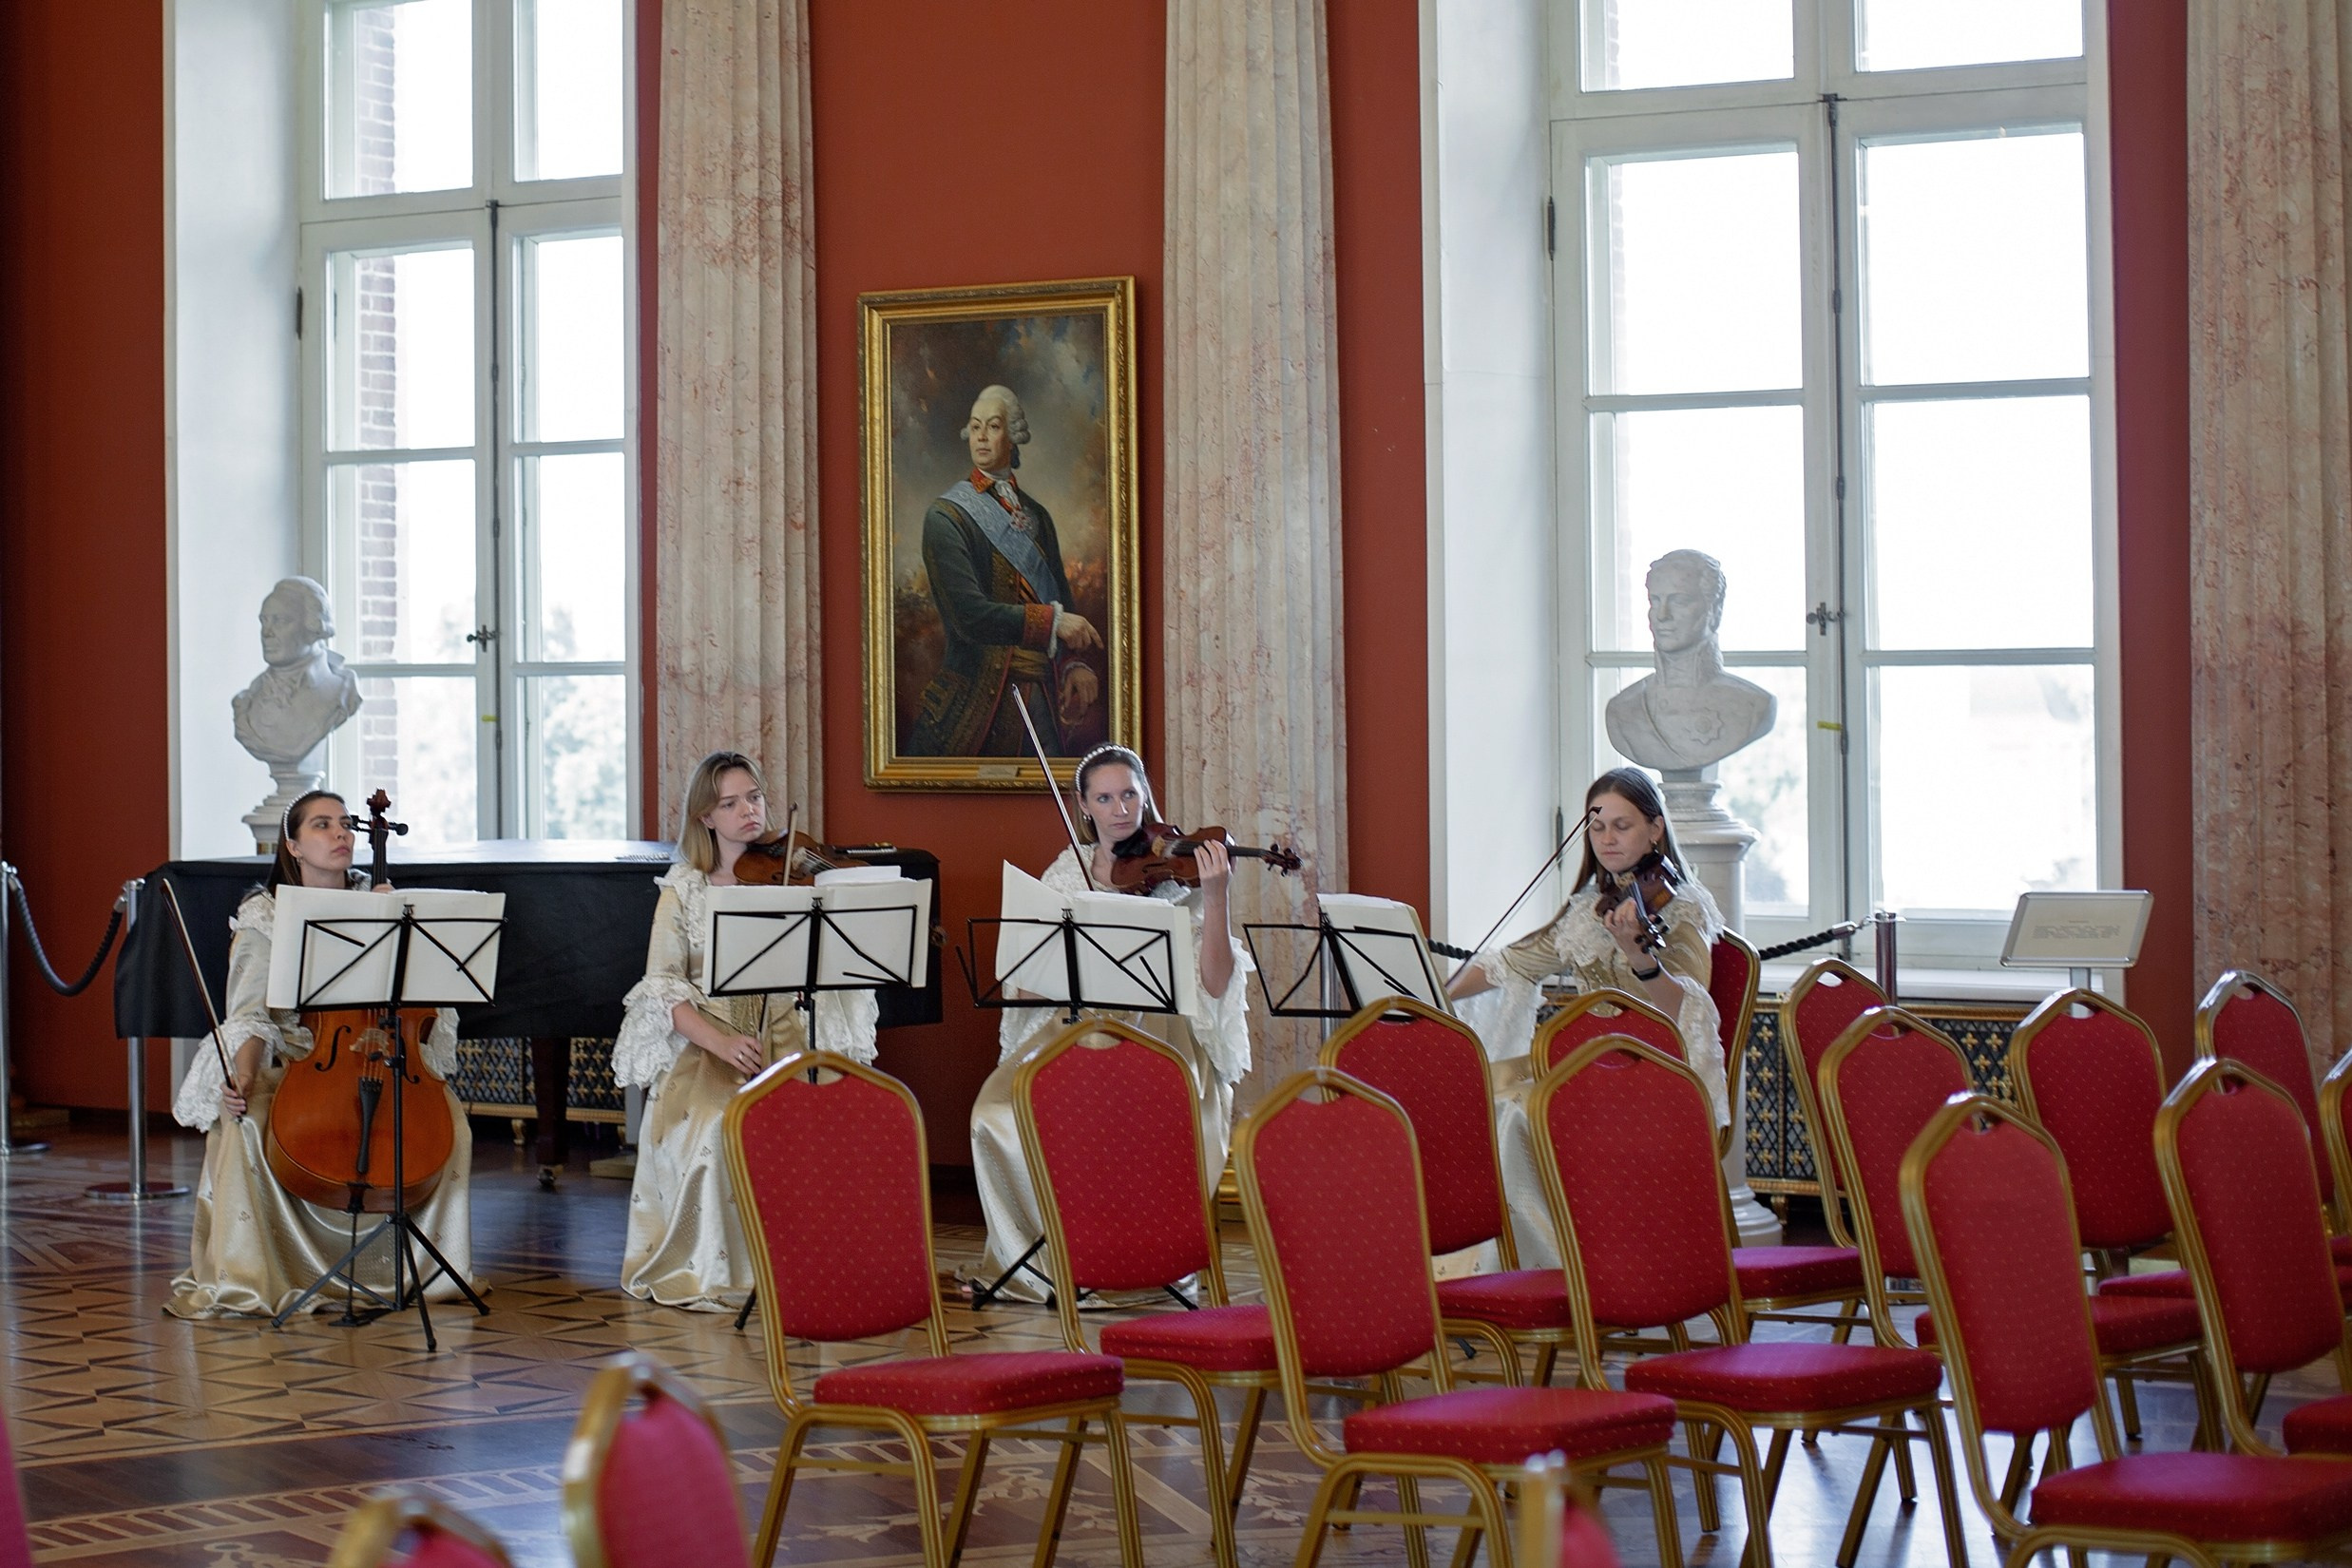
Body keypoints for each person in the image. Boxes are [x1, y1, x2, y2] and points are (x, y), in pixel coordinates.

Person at [166, 791, 475, 1318]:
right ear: (293, 845)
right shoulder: (266, 916)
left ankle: (417, 1272)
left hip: (382, 1056)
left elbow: (427, 1001)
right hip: (301, 1064)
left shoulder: (385, 903)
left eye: (345, 824)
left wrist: (396, 927)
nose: (341, 834)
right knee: (246, 1122)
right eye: (322, 825)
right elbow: (250, 1014)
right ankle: (259, 1274)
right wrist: (243, 1075)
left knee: (453, 1125)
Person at [965, 744, 1253, 1302]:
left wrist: (1217, 896)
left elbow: (1215, 983)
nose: (1120, 810)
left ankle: (1138, 1259)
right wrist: (1043, 967)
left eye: (1129, 795)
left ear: (1145, 798)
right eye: (1104, 798)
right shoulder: (1065, 872)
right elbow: (1024, 983)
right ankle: (1043, 1263)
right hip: (1072, 1029)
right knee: (995, 1112)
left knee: (1129, 1120)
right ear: (1083, 806)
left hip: (1159, 1035)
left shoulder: (1179, 875)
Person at [611, 751, 880, 1310]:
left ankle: (814, 1265)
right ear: (706, 817)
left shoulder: (798, 878)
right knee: (717, 1124)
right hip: (712, 1041)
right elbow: (662, 988)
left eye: (754, 798)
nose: (748, 812)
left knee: (826, 1119)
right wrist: (722, 1043)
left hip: (791, 1030)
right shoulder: (683, 889)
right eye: (730, 804)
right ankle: (719, 1269)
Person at [1447, 767, 1725, 1268]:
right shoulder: (1589, 908)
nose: (1607, 839)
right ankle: (1519, 1261)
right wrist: (1435, 995)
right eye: (1597, 827)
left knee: (1519, 1111)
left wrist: (1639, 956)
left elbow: (1687, 1009)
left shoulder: (1683, 907)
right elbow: (1513, 962)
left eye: (1622, 826)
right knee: (1484, 1089)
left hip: (1655, 1073)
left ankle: (1562, 1268)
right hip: (1588, 1069)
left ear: (1655, 829)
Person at [905, 385, 1103, 757]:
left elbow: (1060, 598)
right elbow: (969, 616)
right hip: (975, 704)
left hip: (1041, 699)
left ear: (1013, 437)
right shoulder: (946, 517)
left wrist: (1073, 663)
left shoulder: (1038, 516)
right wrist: (1052, 622)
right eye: (975, 427)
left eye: (993, 426)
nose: (981, 436)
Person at [1602, 549, 1775, 772]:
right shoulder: (1623, 710)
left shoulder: (1753, 705)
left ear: (1715, 610)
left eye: (1680, 601)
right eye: (1655, 601)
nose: (1662, 615)